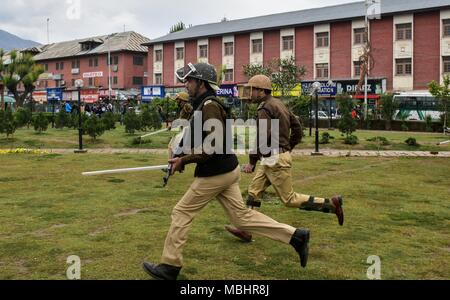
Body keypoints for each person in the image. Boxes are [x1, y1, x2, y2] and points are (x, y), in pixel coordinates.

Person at [142, 63, 311, 280]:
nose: (186, 84)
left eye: (189, 80)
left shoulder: (210, 105)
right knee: (241, 218)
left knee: (181, 212)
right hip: (226, 170)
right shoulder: (204, 104)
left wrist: (184, 160)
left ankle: (170, 266)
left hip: (216, 173)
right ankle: (297, 237)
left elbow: (212, 146)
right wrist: (180, 157)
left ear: (200, 82)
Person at [225, 75, 344, 243]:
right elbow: (298, 129)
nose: (249, 93)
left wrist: (252, 161)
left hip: (274, 158)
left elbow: (262, 136)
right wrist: (287, 148)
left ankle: (331, 204)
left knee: (289, 199)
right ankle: (245, 229)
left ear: (261, 91)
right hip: (273, 157)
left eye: (252, 89)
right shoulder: (279, 104)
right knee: (254, 192)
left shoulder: (264, 108)